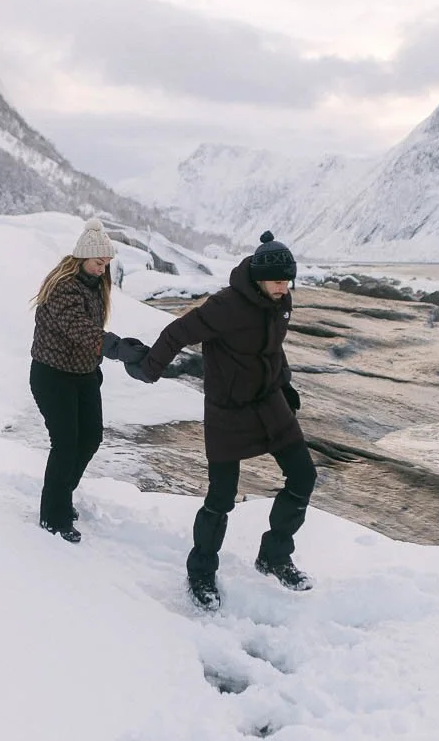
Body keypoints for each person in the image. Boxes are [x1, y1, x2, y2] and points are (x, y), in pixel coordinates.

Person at [130, 231, 316, 610]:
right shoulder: (225, 306)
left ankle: (274, 556)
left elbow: (273, 349)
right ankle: (201, 572)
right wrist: (151, 368)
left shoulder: (280, 302)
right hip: (228, 410)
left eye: (288, 281)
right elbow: (178, 331)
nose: (285, 288)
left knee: (303, 476)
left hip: (269, 402)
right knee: (221, 496)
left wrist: (285, 384)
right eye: (279, 281)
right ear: (260, 278)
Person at [29, 218, 119, 543]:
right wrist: (114, 346)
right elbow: (78, 327)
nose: (102, 269)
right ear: (82, 257)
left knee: (91, 437)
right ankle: (54, 516)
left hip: (83, 375)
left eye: (106, 264)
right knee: (66, 444)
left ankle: (62, 495)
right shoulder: (63, 287)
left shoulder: (95, 286)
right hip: (52, 376)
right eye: (98, 263)